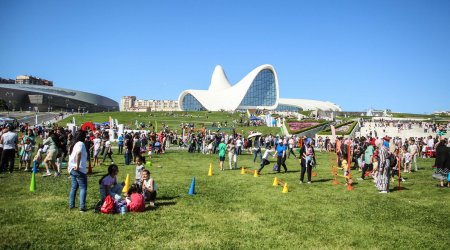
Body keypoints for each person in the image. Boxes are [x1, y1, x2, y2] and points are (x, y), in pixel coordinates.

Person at [68, 130, 88, 212]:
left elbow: (71, 155)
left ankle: (71, 205)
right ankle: (82, 207)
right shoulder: (80, 143)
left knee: (74, 187)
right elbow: (78, 153)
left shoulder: (74, 144)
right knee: (83, 188)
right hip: (78, 168)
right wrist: (77, 164)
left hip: (72, 169)